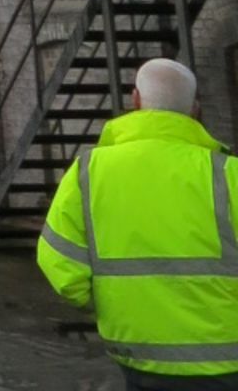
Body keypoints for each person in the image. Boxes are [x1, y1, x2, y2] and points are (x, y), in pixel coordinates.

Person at [39, 57, 238, 386]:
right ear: (195, 110)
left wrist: (109, 302)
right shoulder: (228, 175)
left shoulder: (89, 172)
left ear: (135, 100)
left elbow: (56, 258)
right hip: (226, 364)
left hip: (136, 354)